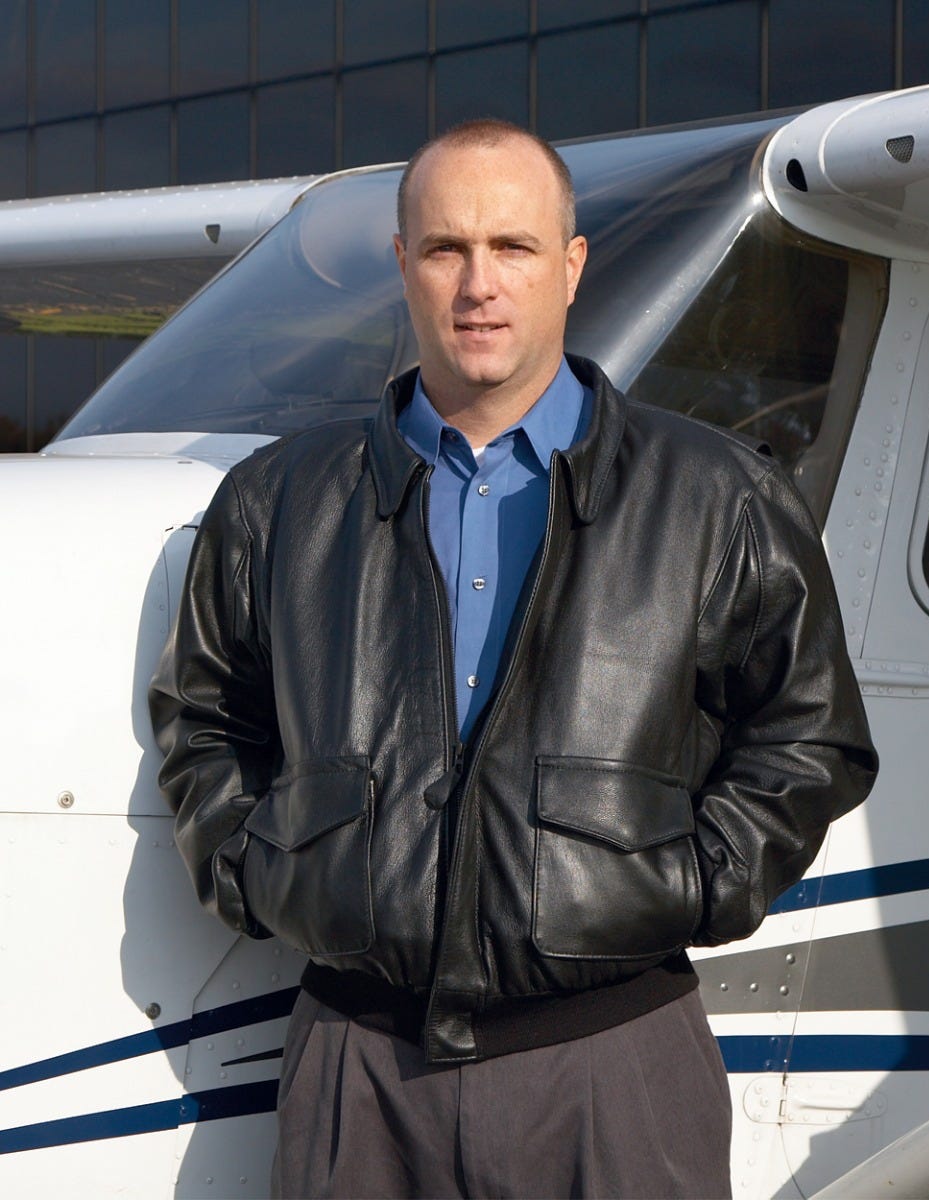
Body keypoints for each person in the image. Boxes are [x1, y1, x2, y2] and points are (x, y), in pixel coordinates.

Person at [150, 119, 878, 1199]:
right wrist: (265, 872)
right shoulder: (274, 505)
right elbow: (205, 720)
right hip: (357, 1071)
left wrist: (688, 884)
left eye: (514, 248)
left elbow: (807, 737)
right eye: (445, 248)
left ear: (572, 266)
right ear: (403, 265)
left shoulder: (717, 497)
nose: (477, 285)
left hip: (614, 1068)